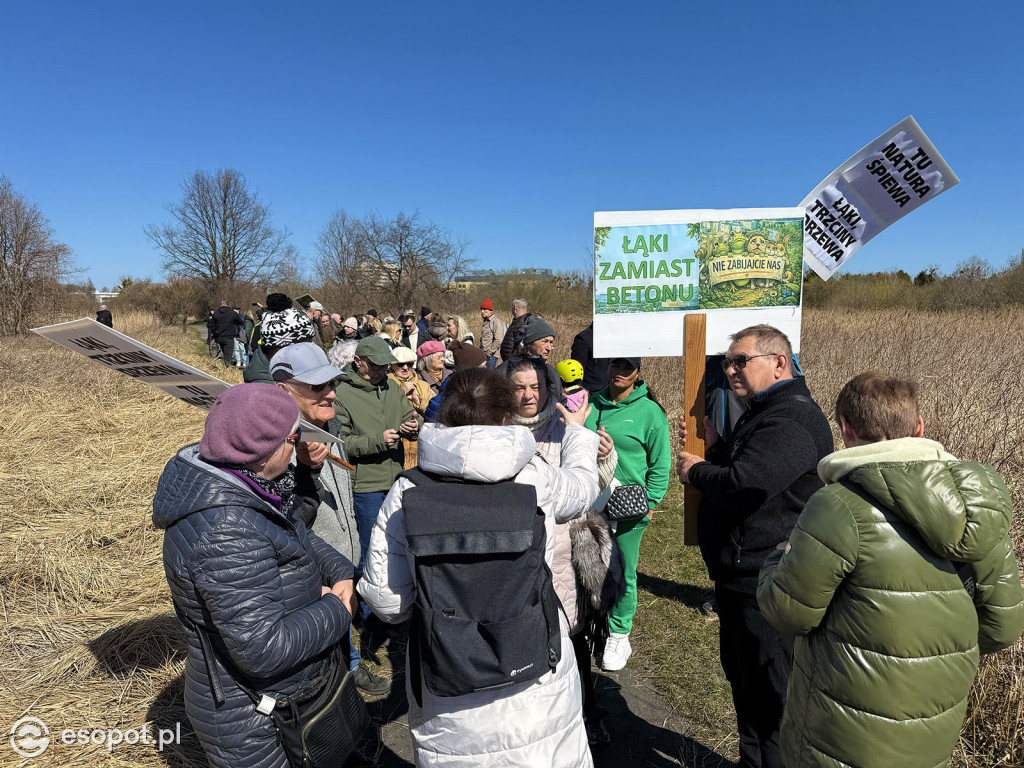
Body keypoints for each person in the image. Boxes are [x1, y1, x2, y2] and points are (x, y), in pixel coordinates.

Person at [757, 372, 1024, 768]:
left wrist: (776, 558)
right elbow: (1003, 628)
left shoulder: (838, 505)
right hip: (933, 726)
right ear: (918, 427)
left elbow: (788, 612)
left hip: (839, 729)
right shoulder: (980, 511)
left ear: (845, 430)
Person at [357, 368, 600, 767]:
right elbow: (583, 488)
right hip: (537, 673)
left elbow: (389, 604)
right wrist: (576, 432)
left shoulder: (407, 490)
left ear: (444, 413)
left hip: (448, 684)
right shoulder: (535, 477)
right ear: (507, 416)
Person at [153, 384, 356, 768]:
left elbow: (297, 535)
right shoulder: (226, 530)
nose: (298, 447)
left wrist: (340, 571)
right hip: (254, 720)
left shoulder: (248, 483)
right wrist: (337, 607)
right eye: (293, 439)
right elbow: (262, 649)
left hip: (287, 698)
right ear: (265, 448)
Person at [676, 324, 833, 768]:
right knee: (747, 689)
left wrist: (696, 471)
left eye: (740, 361)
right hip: (742, 579)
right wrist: (719, 446)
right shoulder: (765, 412)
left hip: (766, 582)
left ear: (778, 362)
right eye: (727, 362)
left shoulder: (793, 418)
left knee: (772, 698)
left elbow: (747, 485)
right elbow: (756, 469)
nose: (729, 370)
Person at [505, 356, 623, 747]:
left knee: (572, 642)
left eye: (536, 386)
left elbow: (595, 491)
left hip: (565, 559)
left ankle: (587, 716)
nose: (528, 395)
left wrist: (602, 454)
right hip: (519, 557)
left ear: (549, 388)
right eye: (519, 386)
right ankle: (534, 728)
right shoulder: (498, 432)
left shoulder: (567, 428)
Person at [270, 344, 392, 696]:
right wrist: (306, 467)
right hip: (310, 563)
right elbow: (286, 518)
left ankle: (350, 668)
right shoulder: (273, 447)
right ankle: (342, 684)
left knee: (340, 623)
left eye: (331, 383)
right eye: (317, 387)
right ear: (283, 391)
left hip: (341, 553)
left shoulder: (328, 429)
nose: (331, 393)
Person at [583, 357, 671, 672]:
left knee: (625, 571)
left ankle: (620, 633)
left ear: (638, 373)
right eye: (614, 365)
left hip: (629, 507)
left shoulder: (650, 412)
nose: (618, 372)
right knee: (592, 565)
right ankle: (595, 621)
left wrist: (652, 501)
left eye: (627, 367)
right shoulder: (591, 403)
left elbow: (661, 463)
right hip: (590, 501)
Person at [333, 335, 421, 631]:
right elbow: (340, 444)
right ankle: (370, 619)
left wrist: (412, 427)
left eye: (386, 366)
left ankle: (396, 605)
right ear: (358, 362)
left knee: (397, 543)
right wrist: (377, 441)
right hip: (365, 485)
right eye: (376, 366)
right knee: (371, 549)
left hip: (397, 479)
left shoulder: (392, 388)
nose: (383, 371)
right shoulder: (342, 394)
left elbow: (410, 417)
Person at [243, 308, 316, 384]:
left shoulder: (286, 374)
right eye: (308, 341)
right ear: (286, 347)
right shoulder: (267, 390)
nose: (313, 344)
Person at [389, 346, 433, 470]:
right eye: (401, 364)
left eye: (409, 364)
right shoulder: (385, 385)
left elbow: (437, 412)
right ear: (392, 365)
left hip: (422, 443)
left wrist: (418, 401)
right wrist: (400, 394)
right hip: (396, 443)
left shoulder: (423, 386)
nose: (405, 368)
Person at [570, 324, 610, 395]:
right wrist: (581, 394)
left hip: (610, 392)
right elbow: (576, 371)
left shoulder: (612, 337)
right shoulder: (584, 338)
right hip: (592, 394)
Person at [210, 300, 243, 368]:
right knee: (228, 355)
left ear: (221, 304)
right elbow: (240, 322)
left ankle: (223, 366)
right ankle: (226, 368)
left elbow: (212, 326)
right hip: (229, 337)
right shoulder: (232, 313)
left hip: (219, 336)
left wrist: (215, 336)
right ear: (228, 305)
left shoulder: (216, 313)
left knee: (223, 353)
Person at [478, 299, 507, 369]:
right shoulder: (486, 323)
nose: (482, 311)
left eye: (485, 309)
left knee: (491, 378)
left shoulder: (496, 322)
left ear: (490, 311)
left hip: (491, 357)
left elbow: (499, 340)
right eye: (481, 309)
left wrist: (489, 353)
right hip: (484, 356)